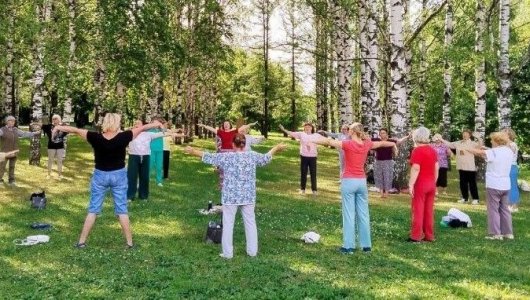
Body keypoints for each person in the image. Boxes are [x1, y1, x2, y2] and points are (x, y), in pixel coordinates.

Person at [53, 113, 162, 248]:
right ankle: (129, 244)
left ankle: (81, 242)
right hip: (119, 176)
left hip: (100, 175)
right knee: (122, 210)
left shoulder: (95, 137)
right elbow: (143, 128)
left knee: (93, 209)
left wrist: (58, 127)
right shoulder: (124, 136)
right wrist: (156, 124)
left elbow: (74, 130)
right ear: (116, 123)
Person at [185, 134, 286, 259]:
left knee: (228, 224)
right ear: (244, 144)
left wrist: (193, 151)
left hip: (230, 196)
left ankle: (228, 254)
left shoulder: (227, 157)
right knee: (250, 223)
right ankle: (252, 252)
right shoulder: (252, 155)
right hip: (248, 195)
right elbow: (265, 158)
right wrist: (276, 148)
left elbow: (209, 157)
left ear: (233, 144)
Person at [313, 123, 396, 253]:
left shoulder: (348, 143)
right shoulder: (366, 143)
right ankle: (366, 246)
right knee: (363, 214)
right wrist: (394, 144)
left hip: (349, 181)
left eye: (349, 129)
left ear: (351, 131)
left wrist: (310, 139)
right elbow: (382, 143)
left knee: (349, 214)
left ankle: (348, 246)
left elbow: (328, 141)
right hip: (361, 182)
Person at [466, 132, 514, 240]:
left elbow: (479, 153)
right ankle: (508, 233)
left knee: (493, 209)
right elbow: (492, 152)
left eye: (492, 140)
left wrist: (467, 148)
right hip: (505, 185)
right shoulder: (509, 151)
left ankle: (496, 234)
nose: (491, 141)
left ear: (497, 141)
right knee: (504, 209)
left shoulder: (494, 152)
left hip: (494, 184)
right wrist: (485, 148)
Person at [127, 120, 184, 201]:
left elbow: (164, 133)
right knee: (132, 177)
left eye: (138, 123)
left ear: (143, 126)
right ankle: (130, 196)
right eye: (135, 124)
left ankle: (143, 196)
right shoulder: (130, 134)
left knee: (144, 177)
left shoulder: (148, 134)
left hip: (145, 157)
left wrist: (161, 126)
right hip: (133, 157)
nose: (136, 125)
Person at [408, 127, 439, 243]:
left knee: (418, 210)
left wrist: (411, 184)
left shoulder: (417, 151)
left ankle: (416, 235)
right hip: (431, 183)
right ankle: (429, 235)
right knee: (429, 211)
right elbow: (437, 168)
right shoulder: (432, 150)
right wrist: (434, 182)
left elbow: (416, 168)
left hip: (421, 184)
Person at [279, 123, 322, 196]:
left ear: (312, 128)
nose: (307, 128)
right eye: (306, 127)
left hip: (313, 157)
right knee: (303, 173)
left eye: (309, 127)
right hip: (304, 156)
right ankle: (302, 189)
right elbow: (291, 133)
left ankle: (314, 190)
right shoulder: (301, 134)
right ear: (304, 128)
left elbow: (326, 140)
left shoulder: (316, 135)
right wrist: (283, 129)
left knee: (313, 174)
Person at [441, 129, 482, 204]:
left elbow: (480, 146)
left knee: (472, 183)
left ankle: (475, 199)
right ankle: (464, 198)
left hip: (470, 167)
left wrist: (479, 138)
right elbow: (449, 144)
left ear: (469, 135)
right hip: (461, 166)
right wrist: (441, 139)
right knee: (463, 183)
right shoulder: (458, 143)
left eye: (466, 134)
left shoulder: (472, 143)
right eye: (464, 133)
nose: (465, 135)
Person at [0, 115, 41, 186]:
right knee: (1, 166)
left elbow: (24, 134)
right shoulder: (2, 130)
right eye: (11, 121)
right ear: (7, 122)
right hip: (5, 152)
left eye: (14, 121)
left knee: (12, 167)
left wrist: (34, 133)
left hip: (14, 152)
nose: (13, 122)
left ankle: (11, 181)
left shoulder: (15, 129)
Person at [371, 128, 409, 198]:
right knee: (379, 177)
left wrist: (407, 137)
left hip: (388, 161)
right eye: (381, 133)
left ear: (386, 134)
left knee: (387, 177)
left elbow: (399, 141)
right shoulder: (376, 140)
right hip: (378, 161)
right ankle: (381, 194)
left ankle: (386, 194)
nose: (382, 134)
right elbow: (367, 140)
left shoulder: (391, 141)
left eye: (383, 133)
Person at [42, 114, 68, 179]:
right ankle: (48, 174)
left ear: (59, 119)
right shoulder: (49, 126)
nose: (54, 120)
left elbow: (67, 130)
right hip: (51, 146)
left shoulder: (62, 127)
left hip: (60, 146)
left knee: (59, 161)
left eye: (56, 118)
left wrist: (62, 124)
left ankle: (60, 175)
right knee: (50, 160)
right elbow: (42, 125)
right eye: (53, 119)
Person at [503, 128, 520, 212]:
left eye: (504, 133)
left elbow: (510, 154)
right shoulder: (504, 144)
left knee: (513, 186)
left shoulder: (512, 144)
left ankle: (515, 206)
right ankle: (509, 205)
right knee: (507, 186)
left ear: (509, 135)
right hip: (505, 167)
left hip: (512, 167)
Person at [149, 117, 166, 187]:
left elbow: (166, 132)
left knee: (159, 166)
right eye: (154, 122)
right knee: (150, 166)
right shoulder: (149, 130)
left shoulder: (162, 130)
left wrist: (162, 126)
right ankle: (146, 179)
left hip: (160, 150)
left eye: (157, 123)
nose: (155, 124)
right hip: (151, 150)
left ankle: (159, 181)